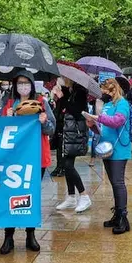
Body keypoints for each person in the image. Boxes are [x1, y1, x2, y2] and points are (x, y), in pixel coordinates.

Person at [0, 69, 55, 254]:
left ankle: (31, 235)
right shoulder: (7, 104)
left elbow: (51, 129)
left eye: (26, 82)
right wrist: (4, 119)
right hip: (13, 159)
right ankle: (9, 236)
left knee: (32, 195)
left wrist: (44, 122)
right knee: (11, 195)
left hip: (36, 158)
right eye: (20, 83)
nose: (23, 86)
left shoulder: (42, 103)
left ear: (32, 85)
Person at [85, 78, 132, 234]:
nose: (102, 94)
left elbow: (118, 121)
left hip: (119, 148)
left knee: (118, 182)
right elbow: (104, 127)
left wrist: (99, 118)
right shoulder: (107, 105)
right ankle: (117, 214)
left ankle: (123, 218)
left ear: (113, 90)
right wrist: (93, 125)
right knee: (113, 183)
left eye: (104, 91)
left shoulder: (122, 104)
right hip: (107, 147)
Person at [53, 77, 91, 213]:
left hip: (75, 134)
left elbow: (77, 112)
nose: (62, 79)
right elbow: (60, 112)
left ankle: (84, 195)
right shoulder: (69, 91)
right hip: (66, 133)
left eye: (63, 78)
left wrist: (62, 97)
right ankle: (71, 196)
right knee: (66, 165)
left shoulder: (80, 92)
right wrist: (60, 97)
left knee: (68, 165)